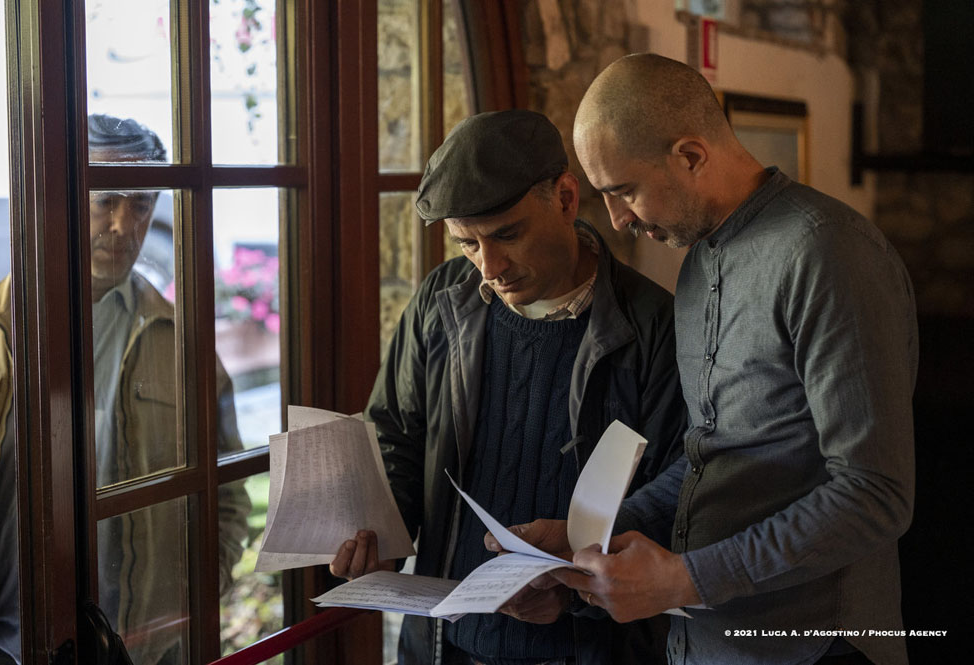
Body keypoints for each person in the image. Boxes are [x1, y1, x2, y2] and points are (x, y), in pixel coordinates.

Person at [500, 53, 919, 665]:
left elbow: (874, 493)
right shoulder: (696, 264)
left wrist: (683, 580)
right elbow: (714, 455)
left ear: (691, 156)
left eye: (624, 191)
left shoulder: (828, 254)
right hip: (704, 643)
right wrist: (587, 537)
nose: (617, 220)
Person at [330, 109, 689, 665]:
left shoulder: (653, 327)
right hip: (444, 643)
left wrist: (575, 595)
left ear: (567, 199)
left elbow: (681, 496)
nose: (489, 268)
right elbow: (396, 436)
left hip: (590, 648)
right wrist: (383, 538)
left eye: (507, 235)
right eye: (467, 244)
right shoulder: (441, 300)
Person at [0, 114, 251, 665]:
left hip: (144, 648)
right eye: (106, 200)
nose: (126, 225)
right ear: (58, 196)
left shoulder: (184, 344)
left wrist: (194, 595)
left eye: (142, 204)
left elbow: (227, 490)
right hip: (5, 646)